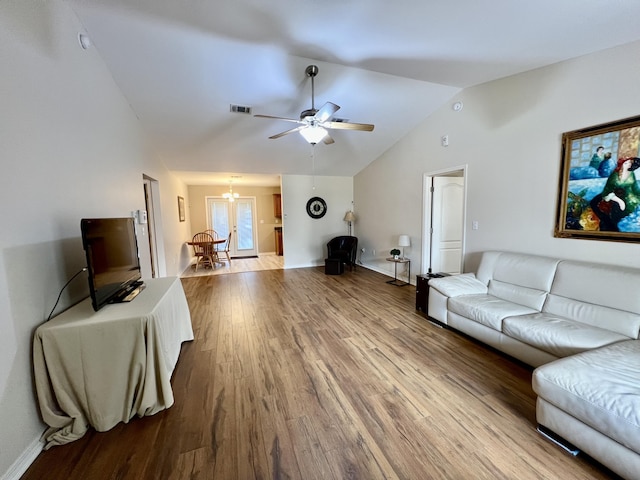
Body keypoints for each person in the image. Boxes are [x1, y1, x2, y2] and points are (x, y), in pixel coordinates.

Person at [590, 157, 640, 231]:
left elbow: (635, 188)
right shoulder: (615, 174)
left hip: (628, 196)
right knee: (594, 203)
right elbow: (607, 190)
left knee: (619, 212)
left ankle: (613, 227)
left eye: (630, 163)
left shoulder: (631, 174)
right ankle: (607, 223)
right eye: (626, 162)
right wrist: (618, 200)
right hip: (611, 194)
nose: (627, 164)